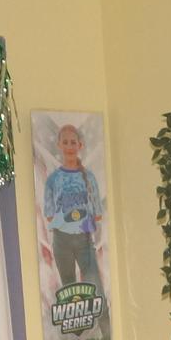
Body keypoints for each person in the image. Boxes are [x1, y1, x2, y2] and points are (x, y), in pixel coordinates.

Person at [43, 124, 104, 298]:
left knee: (95, 286)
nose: (70, 147)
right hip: (62, 240)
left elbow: (97, 213)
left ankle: (103, 323)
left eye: (73, 142)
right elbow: (49, 214)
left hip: (84, 239)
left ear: (80, 145)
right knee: (69, 290)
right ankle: (78, 325)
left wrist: (81, 219)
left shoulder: (89, 177)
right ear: (59, 145)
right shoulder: (53, 180)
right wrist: (66, 220)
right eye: (65, 142)